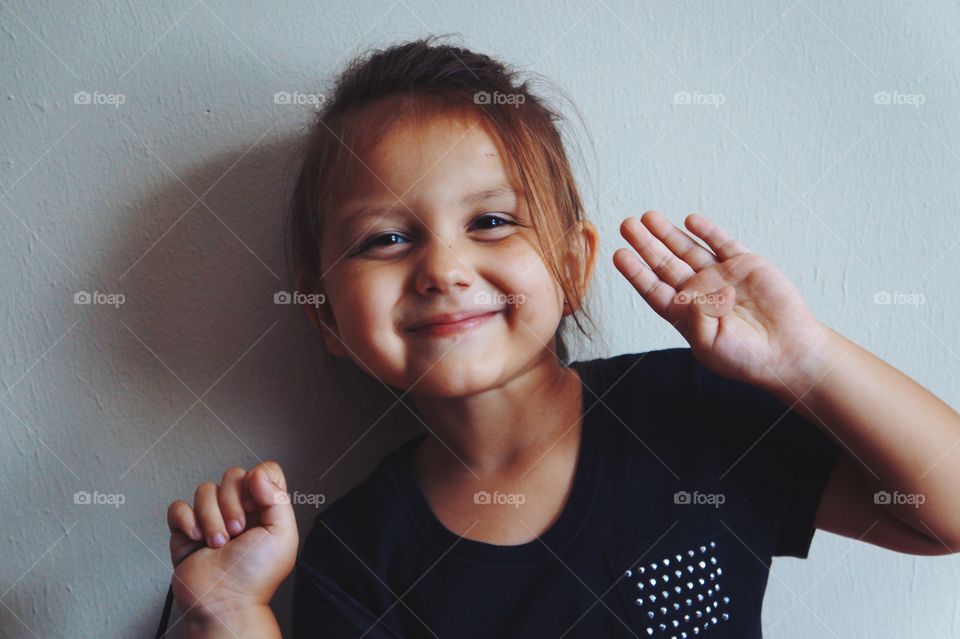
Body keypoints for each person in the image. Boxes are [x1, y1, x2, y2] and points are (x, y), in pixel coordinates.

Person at [163, 36, 960, 638]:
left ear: (573, 266)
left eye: (491, 221)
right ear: (326, 316)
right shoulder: (358, 549)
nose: (444, 268)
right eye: (386, 239)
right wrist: (230, 613)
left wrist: (806, 360)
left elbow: (943, 519)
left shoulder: (690, 410)